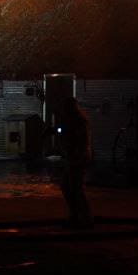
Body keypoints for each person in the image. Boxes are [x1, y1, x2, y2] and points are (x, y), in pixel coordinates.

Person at [53, 92, 93, 229]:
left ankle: (83, 218)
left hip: (77, 158)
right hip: (75, 157)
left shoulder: (78, 122)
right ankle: (78, 216)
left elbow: (78, 140)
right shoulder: (76, 120)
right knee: (70, 187)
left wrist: (74, 154)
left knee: (74, 188)